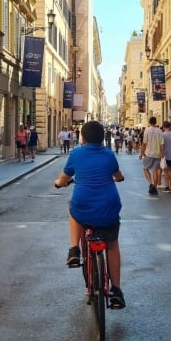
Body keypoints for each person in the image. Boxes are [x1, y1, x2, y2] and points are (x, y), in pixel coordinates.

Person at [54, 121, 126, 309]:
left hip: (83, 206)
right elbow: (118, 176)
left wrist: (58, 183)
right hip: (108, 208)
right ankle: (116, 290)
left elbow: (63, 179)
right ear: (103, 137)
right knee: (112, 246)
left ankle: (74, 250)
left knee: (74, 210)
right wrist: (117, 178)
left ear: (83, 138)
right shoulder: (109, 155)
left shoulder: (76, 153)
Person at [140, 116, 164, 195]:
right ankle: (155, 187)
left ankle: (150, 183)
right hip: (157, 154)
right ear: (156, 122)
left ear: (149, 122)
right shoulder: (160, 131)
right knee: (155, 171)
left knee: (145, 169)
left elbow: (144, 143)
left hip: (148, 153)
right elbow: (162, 144)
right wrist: (162, 153)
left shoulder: (147, 130)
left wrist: (141, 153)